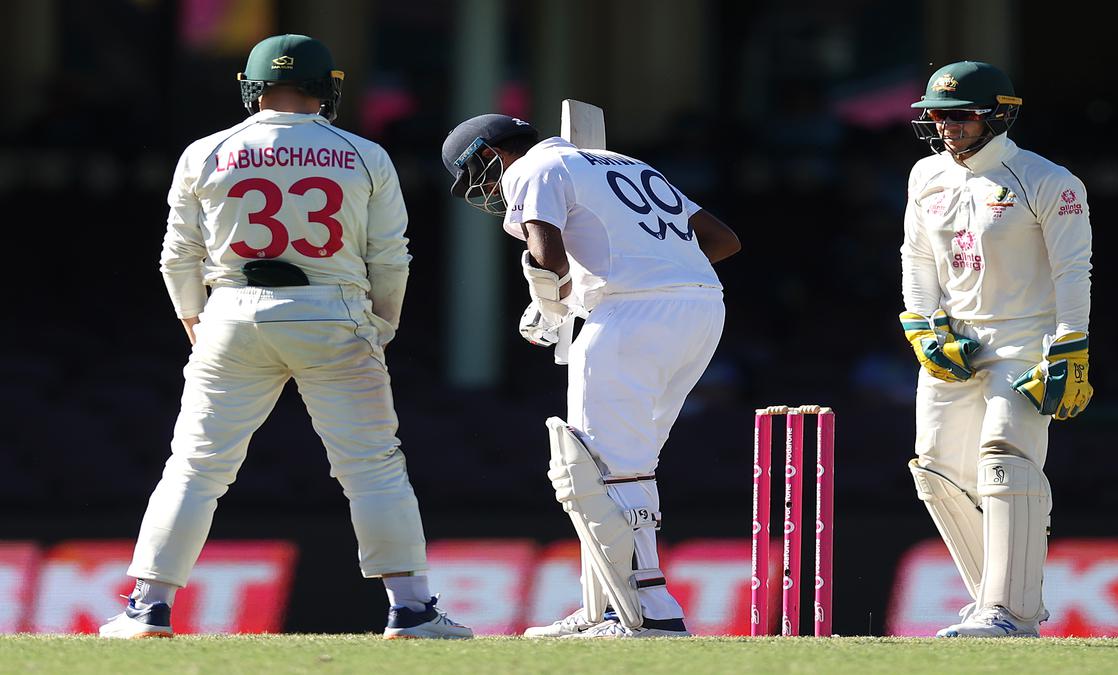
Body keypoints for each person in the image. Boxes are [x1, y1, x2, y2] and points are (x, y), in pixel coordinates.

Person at [99, 34, 471, 640]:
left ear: (252, 85)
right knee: (374, 467)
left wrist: (199, 323)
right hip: (335, 312)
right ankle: (412, 610)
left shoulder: (206, 151)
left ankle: (149, 607)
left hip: (233, 312)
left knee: (194, 467)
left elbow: (178, 257)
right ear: (327, 86)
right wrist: (381, 326)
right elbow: (391, 259)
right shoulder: (364, 154)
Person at [441, 114, 740, 638]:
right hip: (701, 309)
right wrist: (631, 281)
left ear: (488, 154)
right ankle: (607, 604)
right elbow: (722, 240)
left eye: (480, 178)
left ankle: (647, 612)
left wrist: (551, 304)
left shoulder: (534, 168)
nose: (487, 192)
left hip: (628, 318)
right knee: (631, 466)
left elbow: (547, 256)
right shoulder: (625, 162)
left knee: (593, 468)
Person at [899, 60, 1093, 638]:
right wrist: (922, 325)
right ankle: (1006, 600)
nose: (947, 126)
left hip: (1026, 341)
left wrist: (1071, 346)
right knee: (936, 470)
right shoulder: (925, 176)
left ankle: (1005, 613)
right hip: (955, 341)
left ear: (999, 115)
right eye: (937, 115)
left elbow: (1073, 269)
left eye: (961, 116)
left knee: (1004, 457)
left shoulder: (1048, 181)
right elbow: (916, 257)